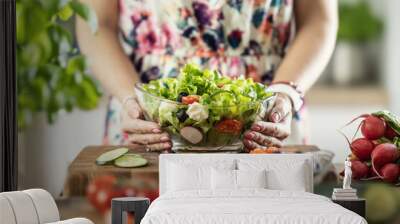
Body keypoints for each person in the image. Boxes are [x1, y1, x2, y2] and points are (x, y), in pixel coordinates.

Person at [77, 0, 338, 152]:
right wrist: (130, 99)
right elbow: (95, 24)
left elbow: (318, 19)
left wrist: (285, 94)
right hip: (148, 116)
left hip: (265, 113)